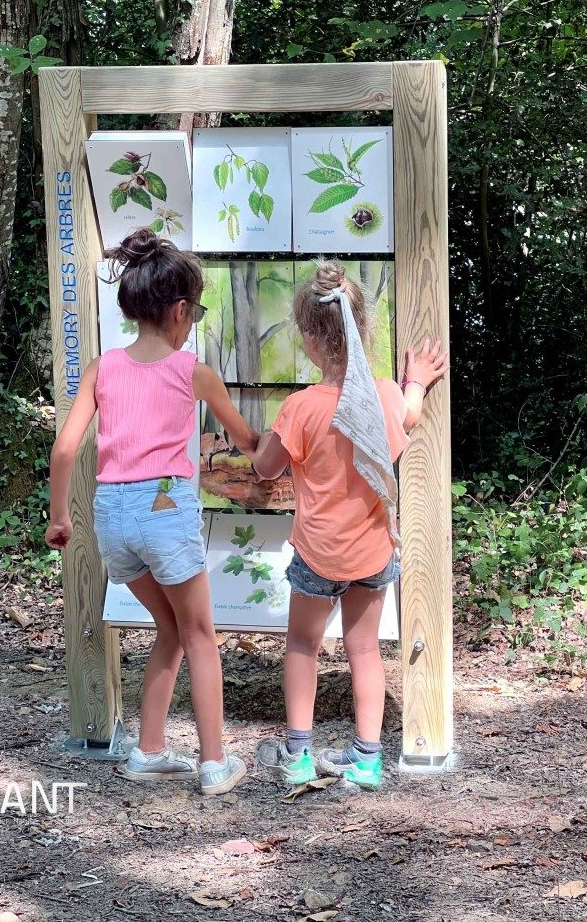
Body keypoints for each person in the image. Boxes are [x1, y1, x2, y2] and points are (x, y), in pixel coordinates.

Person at [45, 228, 258, 795]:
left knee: (167, 627)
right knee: (201, 633)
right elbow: (245, 440)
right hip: (164, 506)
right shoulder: (193, 372)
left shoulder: (103, 368)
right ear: (181, 310)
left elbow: (65, 449)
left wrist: (59, 518)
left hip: (112, 516)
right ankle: (215, 763)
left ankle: (149, 749)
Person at [252, 260, 448, 789]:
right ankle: (367, 760)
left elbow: (264, 468)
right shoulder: (383, 394)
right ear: (361, 331)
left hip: (318, 555)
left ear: (311, 341)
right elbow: (408, 415)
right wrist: (417, 381)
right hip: (372, 553)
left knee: (302, 646)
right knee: (364, 650)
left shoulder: (301, 408)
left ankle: (297, 755)